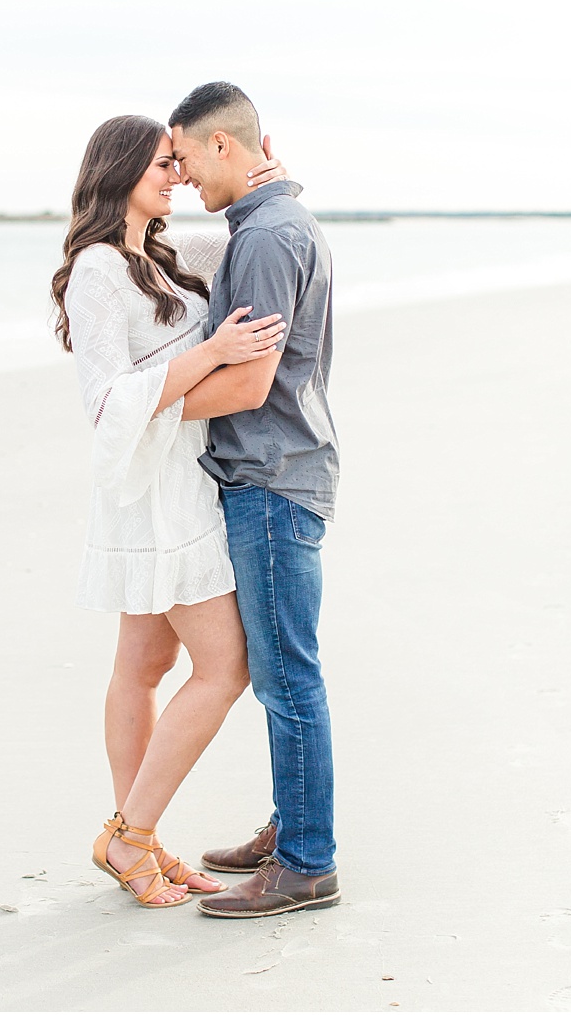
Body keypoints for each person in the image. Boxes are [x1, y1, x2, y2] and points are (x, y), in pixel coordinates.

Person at [51, 114, 291, 907]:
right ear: (121, 170)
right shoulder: (95, 269)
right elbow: (107, 400)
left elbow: (250, 245)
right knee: (225, 667)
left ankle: (139, 843)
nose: (177, 176)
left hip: (184, 478)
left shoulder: (165, 253)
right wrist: (212, 354)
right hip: (152, 492)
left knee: (146, 667)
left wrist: (265, 179)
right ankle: (131, 836)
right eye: (163, 164)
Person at [162, 81, 344, 919]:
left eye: (189, 157)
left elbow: (249, 381)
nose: (185, 174)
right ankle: (293, 824)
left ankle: (308, 862)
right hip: (281, 472)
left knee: (285, 674)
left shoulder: (269, 235)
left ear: (227, 146)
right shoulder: (269, 225)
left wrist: (147, 409)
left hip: (271, 480)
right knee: (281, 668)